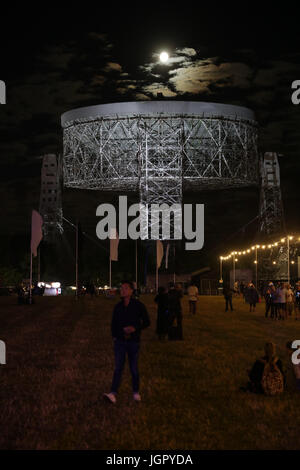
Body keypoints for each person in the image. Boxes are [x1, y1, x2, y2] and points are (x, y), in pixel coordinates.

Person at [103, 280, 150, 404]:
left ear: (131, 291)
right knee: (118, 368)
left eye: (125, 288)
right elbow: (114, 324)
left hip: (133, 341)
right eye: (121, 288)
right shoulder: (118, 307)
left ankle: (136, 392)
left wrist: (135, 329)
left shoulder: (138, 305)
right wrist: (115, 336)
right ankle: (113, 393)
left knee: (133, 368)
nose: (122, 290)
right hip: (120, 341)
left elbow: (146, 322)